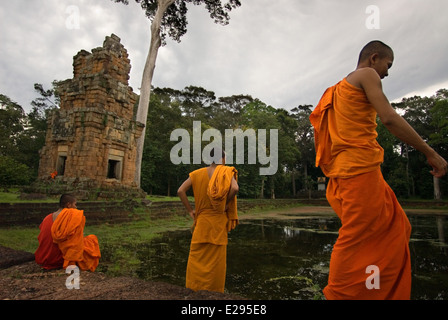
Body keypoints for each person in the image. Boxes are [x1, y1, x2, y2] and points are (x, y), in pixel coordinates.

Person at [310, 40, 447, 300]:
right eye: (388, 64)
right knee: (356, 235)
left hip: (347, 171)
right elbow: (389, 118)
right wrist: (431, 153)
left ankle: (378, 294)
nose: (387, 72)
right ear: (374, 58)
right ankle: (338, 296)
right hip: (357, 170)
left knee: (398, 227)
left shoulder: (337, 88)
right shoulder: (367, 74)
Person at [177, 148, 239, 293]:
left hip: (202, 222)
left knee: (196, 259)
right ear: (222, 159)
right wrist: (225, 204)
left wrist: (190, 211)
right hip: (218, 223)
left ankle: (193, 290)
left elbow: (180, 191)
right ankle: (215, 293)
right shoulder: (226, 172)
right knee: (216, 264)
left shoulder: (197, 174)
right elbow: (235, 188)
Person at [35, 194, 101, 272]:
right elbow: (74, 243)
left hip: (44, 257)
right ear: (68, 205)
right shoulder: (72, 215)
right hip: (60, 259)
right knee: (91, 239)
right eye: (75, 204)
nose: (76, 207)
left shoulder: (47, 218)